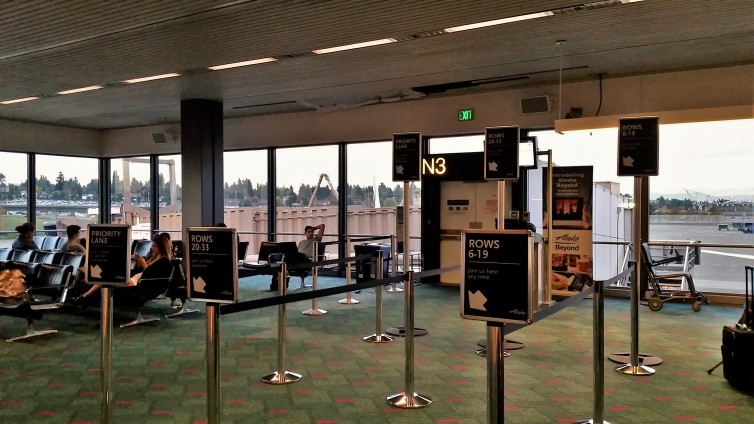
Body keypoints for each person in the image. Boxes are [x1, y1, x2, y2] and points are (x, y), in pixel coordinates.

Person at [270, 223, 325, 291]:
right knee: (282, 266)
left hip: (308, 260)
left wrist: (313, 228)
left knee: (287, 260)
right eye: (309, 232)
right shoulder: (301, 242)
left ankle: (284, 269)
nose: (311, 233)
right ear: (305, 233)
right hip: (297, 259)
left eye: (312, 232)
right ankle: (274, 286)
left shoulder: (316, 239)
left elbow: (322, 226)